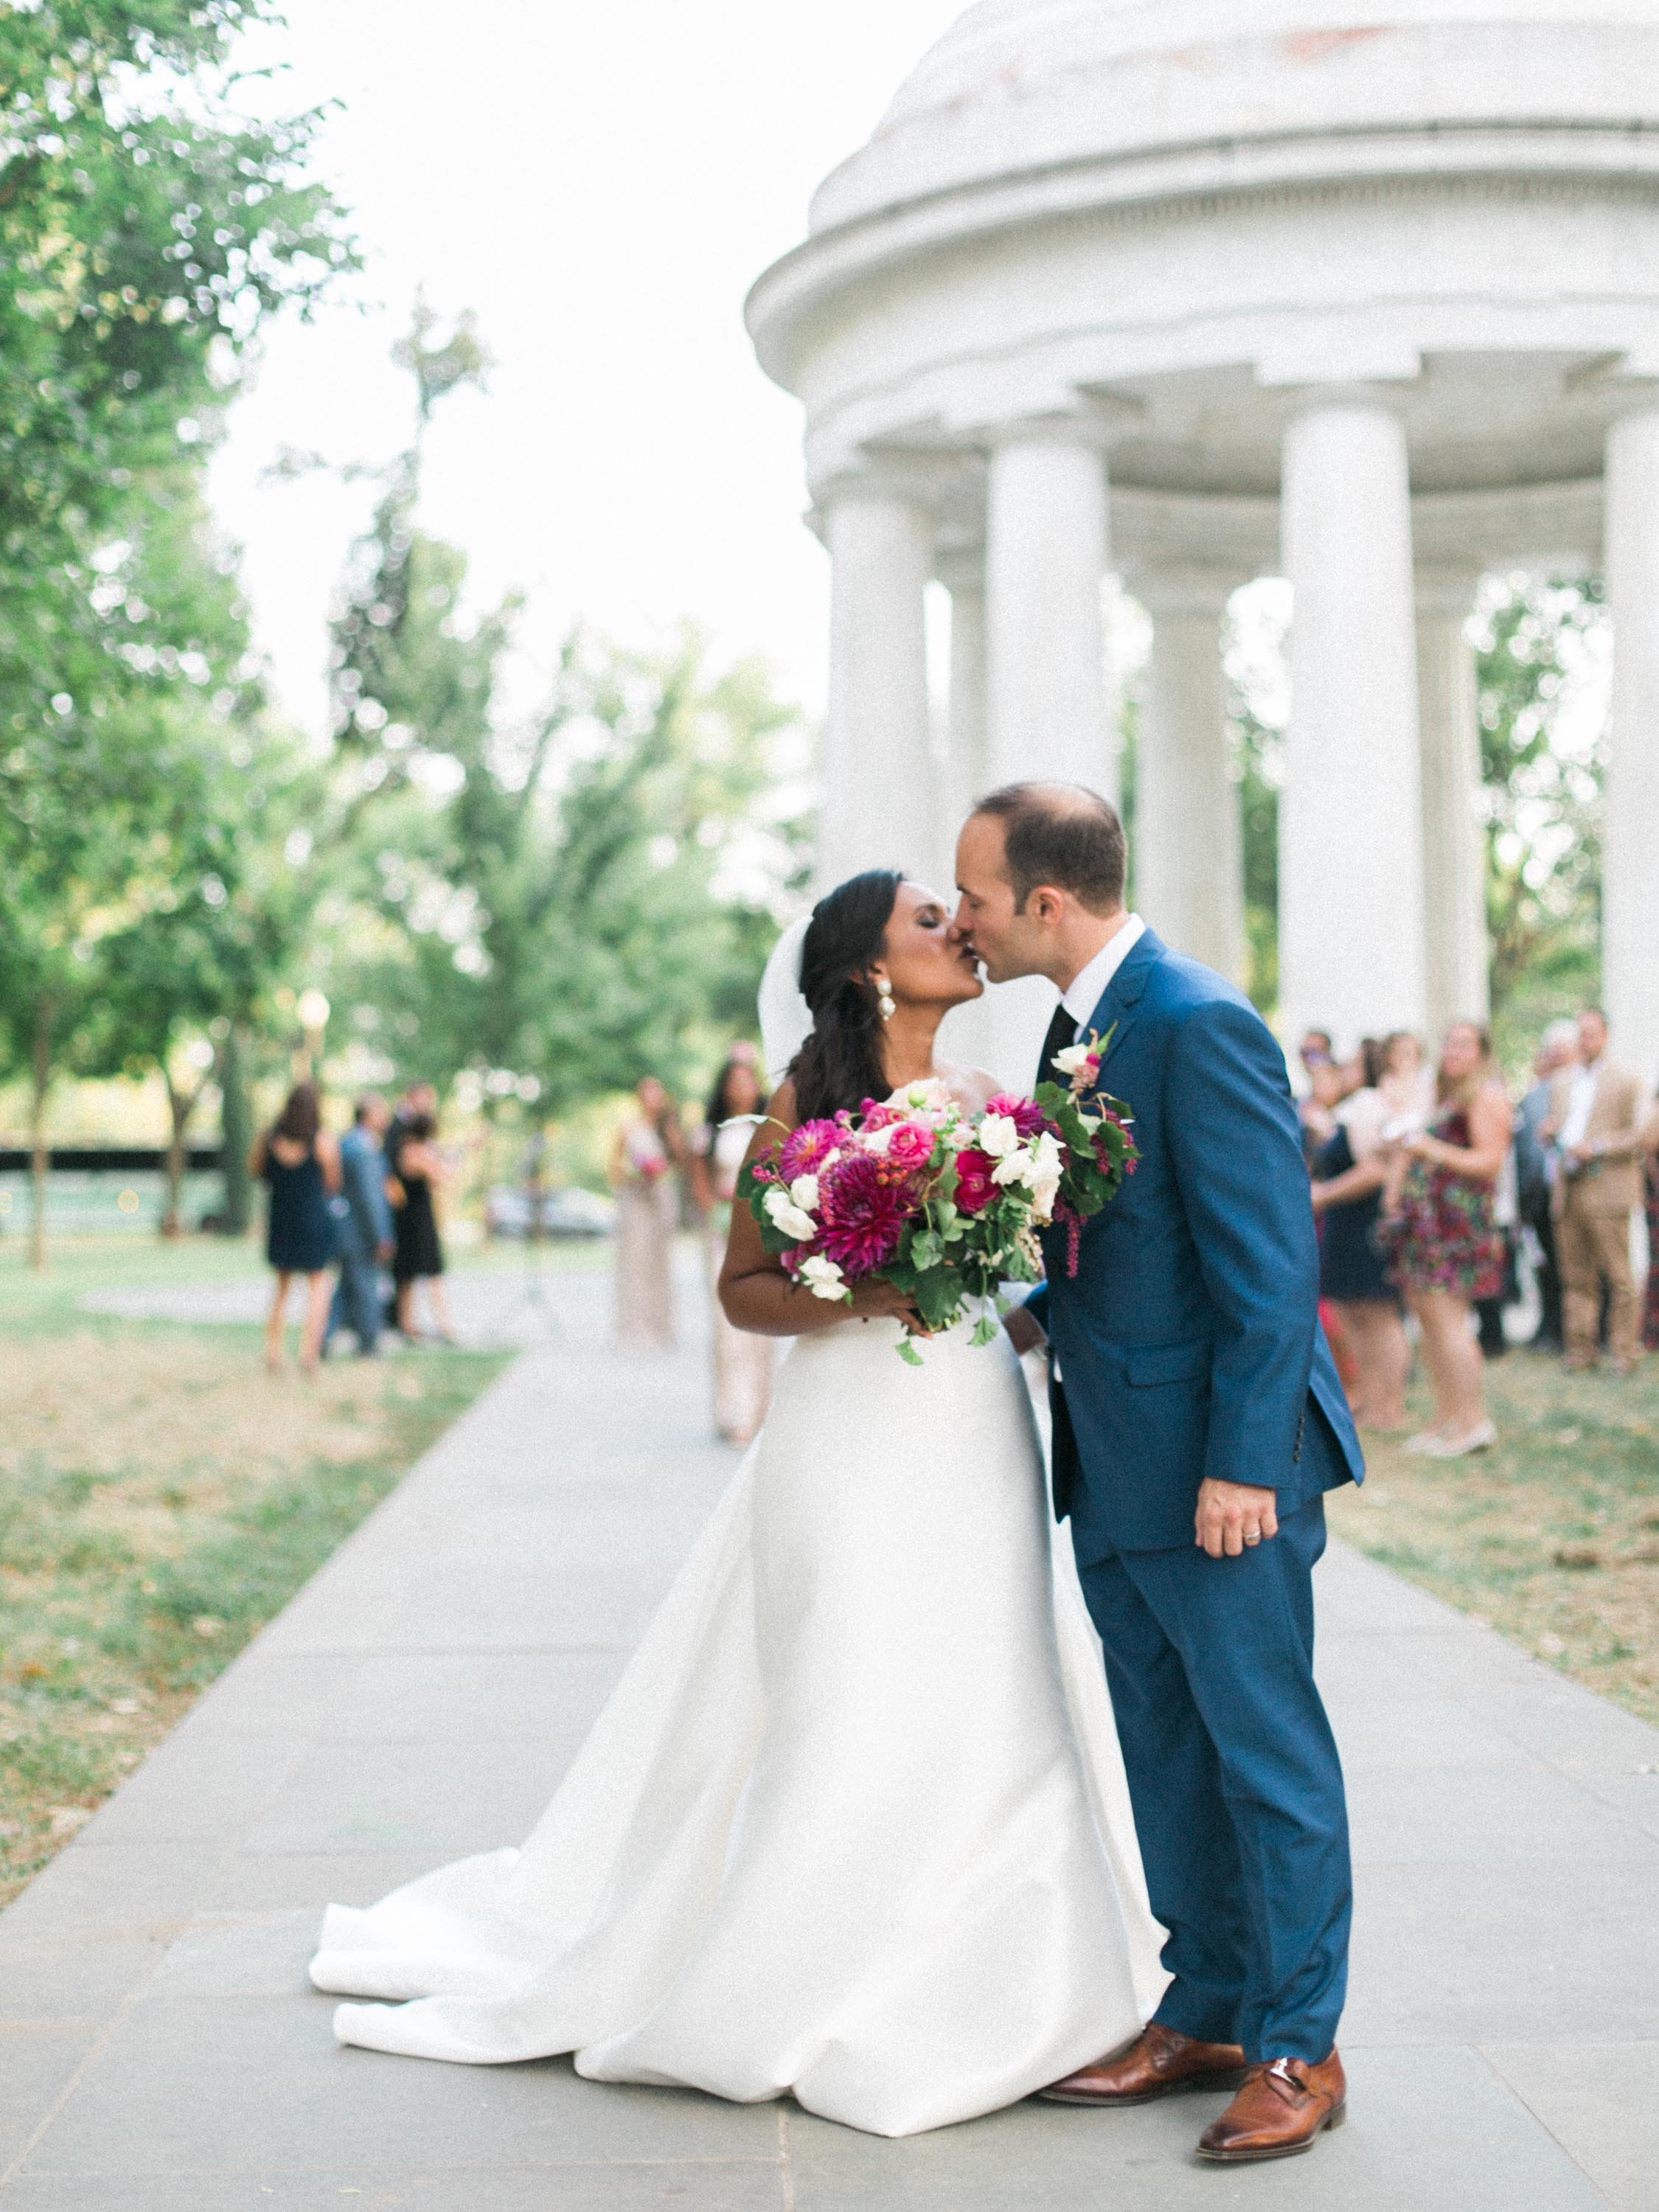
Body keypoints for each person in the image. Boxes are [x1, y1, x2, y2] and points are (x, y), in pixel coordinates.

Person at [312, 866, 1161, 2138]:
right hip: (849, 1432)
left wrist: (1022, 1306)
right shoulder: (807, 1107)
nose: (962, 928)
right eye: (931, 918)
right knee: (853, 1677)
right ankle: (810, 1957)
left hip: (974, 1420)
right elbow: (745, 1294)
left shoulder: (999, 1108)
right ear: (871, 965)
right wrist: (888, 1294)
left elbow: (1021, 1283)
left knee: (993, 1671)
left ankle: (1010, 1965)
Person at [957, 784, 1363, 2167]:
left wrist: (1248, 1463)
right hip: (1115, 1466)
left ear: (1047, 904)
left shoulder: (1196, 1021)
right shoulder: (1082, 1031)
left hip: (1216, 1475)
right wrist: (982, 1307)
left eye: (978, 899)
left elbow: (1269, 1264)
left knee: (1266, 1756)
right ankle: (1209, 2009)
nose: (964, 922)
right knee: (1167, 1753)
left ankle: (1302, 2043)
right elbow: (1111, 1246)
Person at [1377, 1021, 1512, 1454]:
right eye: (1449, 1042)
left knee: (1450, 1322)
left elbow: (1490, 1161)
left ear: (1482, 1052)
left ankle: (1473, 1422)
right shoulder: (1442, 1095)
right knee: (1429, 1322)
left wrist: (1428, 1148)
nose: (1453, 1050)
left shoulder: (1486, 1095)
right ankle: (1445, 1417)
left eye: (1464, 1044)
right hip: (1426, 1225)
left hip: (1459, 1226)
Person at [1543, 1007, 1650, 1374]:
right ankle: (1580, 1349)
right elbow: (1562, 1125)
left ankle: (1623, 1351)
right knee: (1575, 1277)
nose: (1585, 1040)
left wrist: (1598, 1147)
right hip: (1568, 1189)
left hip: (1608, 1189)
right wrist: (1551, 1132)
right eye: (1580, 1033)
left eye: (1591, 1033)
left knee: (1619, 1276)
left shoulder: (1628, 1080)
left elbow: (1641, 1135)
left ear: (1605, 1035)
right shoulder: (1561, 1081)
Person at [1310, 1038, 1409, 1430]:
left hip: (1364, 1221)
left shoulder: (1369, 1106)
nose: (1344, 1070)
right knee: (1351, 1312)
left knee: (1378, 1314)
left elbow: (1375, 1170)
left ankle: (1390, 1404)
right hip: (1343, 1222)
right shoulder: (1352, 1107)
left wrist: (1322, 1195)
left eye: (1352, 1064)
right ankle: (1368, 1397)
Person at [689, 1044, 773, 1444]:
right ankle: (732, 1412)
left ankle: (762, 1411)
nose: (741, 1086)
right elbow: (699, 1181)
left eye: (747, 1078)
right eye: (733, 1080)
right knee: (727, 1324)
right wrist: (717, 1206)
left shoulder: (770, 1124)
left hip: (761, 1226)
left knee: (764, 1320)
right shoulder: (710, 1131)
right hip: (722, 1230)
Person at [249, 1080, 341, 1375]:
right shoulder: (322, 1140)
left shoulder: (269, 1138)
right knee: (318, 1287)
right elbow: (332, 1183)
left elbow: (255, 1170)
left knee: (281, 1288)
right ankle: (308, 1354)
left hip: (281, 1219)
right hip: (312, 1221)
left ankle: (272, 1352)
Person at [1514, 1020, 1579, 1352]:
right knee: (1545, 1266)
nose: (1555, 1055)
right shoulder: (1532, 1097)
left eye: (1562, 1049)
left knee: (1576, 1268)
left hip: (1573, 1194)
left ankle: (1579, 1332)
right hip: (1538, 1194)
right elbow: (1524, 1151)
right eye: (1551, 1049)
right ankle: (1550, 1327)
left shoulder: (1582, 1089)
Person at [608, 1077, 684, 1349]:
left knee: (660, 1263)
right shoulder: (628, 1127)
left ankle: (660, 1327)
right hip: (636, 1199)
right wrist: (635, 1173)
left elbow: (682, 1162)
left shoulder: (668, 1128)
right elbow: (614, 1168)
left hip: (661, 1199)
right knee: (634, 1262)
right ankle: (632, 1328)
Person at [324, 1093, 394, 1358]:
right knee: (366, 1289)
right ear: (367, 1114)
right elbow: (370, 1197)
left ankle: (322, 1338)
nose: (385, 1117)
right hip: (360, 1234)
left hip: (348, 1230)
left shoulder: (350, 1142)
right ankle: (369, 1345)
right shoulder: (362, 1148)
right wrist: (381, 1236)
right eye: (381, 1111)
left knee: (345, 1291)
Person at [386, 1093, 455, 1344]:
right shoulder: (416, 1152)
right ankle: (444, 1325)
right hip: (419, 1219)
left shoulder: (406, 1150)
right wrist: (448, 1158)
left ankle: (407, 1324)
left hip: (405, 1219)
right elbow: (442, 1177)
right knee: (431, 1272)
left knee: (406, 1275)